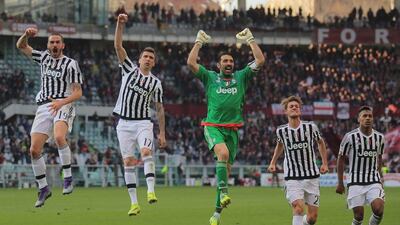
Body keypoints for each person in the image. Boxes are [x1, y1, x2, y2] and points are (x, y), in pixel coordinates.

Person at [187, 28, 265, 225]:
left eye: (231, 61)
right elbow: (190, 63)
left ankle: (216, 214)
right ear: (218, 65)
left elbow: (260, 60)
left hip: (232, 131)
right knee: (222, 155)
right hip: (212, 126)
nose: (229, 64)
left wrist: (250, 39)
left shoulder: (241, 77)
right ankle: (224, 192)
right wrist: (199, 42)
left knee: (225, 172)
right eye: (225, 61)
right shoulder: (210, 77)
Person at [16, 28, 83, 207]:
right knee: (34, 150)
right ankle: (44, 188)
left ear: (62, 45)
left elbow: (78, 93)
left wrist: (61, 103)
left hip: (64, 103)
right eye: (51, 42)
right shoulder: (43, 58)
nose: (54, 45)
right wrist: (27, 35)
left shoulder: (70, 64)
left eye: (57, 42)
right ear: (48, 45)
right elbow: (21, 46)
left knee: (60, 137)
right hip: (44, 106)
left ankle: (68, 177)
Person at [113, 13, 167, 216]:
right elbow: (118, 46)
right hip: (124, 124)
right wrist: (120, 24)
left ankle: (151, 191)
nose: (148, 59)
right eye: (145, 56)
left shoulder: (156, 83)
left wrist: (162, 133)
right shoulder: (128, 69)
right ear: (139, 59)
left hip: (143, 122)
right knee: (128, 162)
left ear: (154, 63)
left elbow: (159, 108)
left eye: (151, 58)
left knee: (146, 153)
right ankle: (134, 203)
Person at [268, 96, 328, 225]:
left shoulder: (310, 127)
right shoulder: (281, 131)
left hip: (312, 176)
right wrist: (273, 162)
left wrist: (324, 163)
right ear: (286, 111)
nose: (294, 107)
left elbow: (320, 143)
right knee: (298, 207)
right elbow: (280, 145)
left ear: (300, 110)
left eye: (297, 106)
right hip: (292, 176)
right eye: (291, 106)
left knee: (312, 218)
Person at [336, 106, 385, 225]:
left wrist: (380, 177)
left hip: (373, 180)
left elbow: (379, 158)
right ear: (359, 119)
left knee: (378, 209)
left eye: (370, 116)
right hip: (355, 181)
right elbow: (341, 159)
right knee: (359, 216)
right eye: (364, 116)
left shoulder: (380, 137)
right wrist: (340, 183)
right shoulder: (350, 137)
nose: (368, 118)